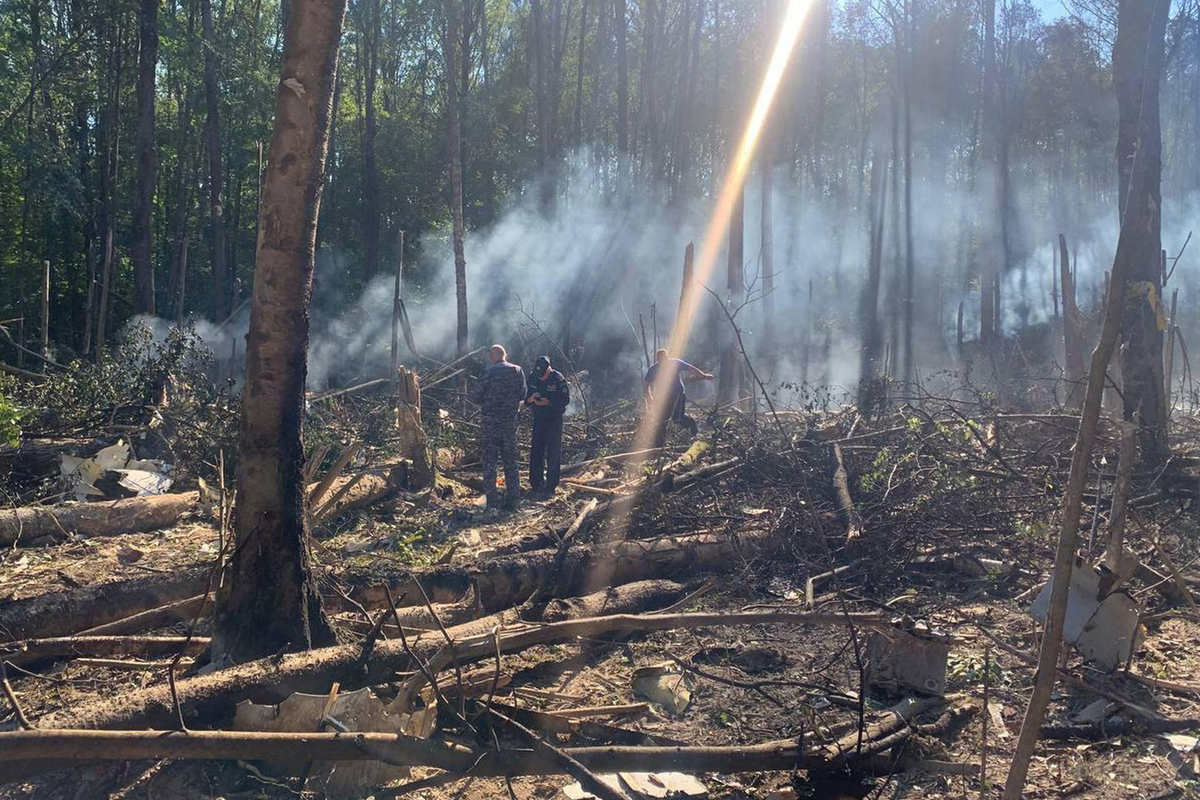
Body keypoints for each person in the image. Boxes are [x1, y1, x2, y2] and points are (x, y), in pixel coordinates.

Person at [472, 344, 526, 510]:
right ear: (505, 355)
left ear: (492, 356)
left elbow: (476, 397)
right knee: (510, 460)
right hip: (509, 422)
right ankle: (514, 499)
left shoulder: (487, 372)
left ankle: (492, 501)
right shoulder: (517, 371)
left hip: (490, 423)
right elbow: (523, 394)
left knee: (490, 462)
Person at [643, 349, 713, 446]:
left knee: (678, 418)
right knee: (662, 420)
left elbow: (691, 368)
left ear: (667, 357)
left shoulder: (675, 363)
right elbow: (646, 383)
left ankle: (694, 429)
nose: (662, 361)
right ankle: (658, 445)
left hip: (678, 394)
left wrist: (704, 376)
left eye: (663, 359)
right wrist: (649, 396)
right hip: (664, 397)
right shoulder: (654, 369)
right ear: (657, 359)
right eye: (659, 359)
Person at [525, 355, 569, 497]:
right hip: (538, 419)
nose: (541, 377)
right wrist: (531, 399)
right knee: (536, 451)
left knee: (553, 453)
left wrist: (549, 402)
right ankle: (536, 483)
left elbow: (565, 400)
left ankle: (551, 486)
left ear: (549, 369)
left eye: (543, 374)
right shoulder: (533, 377)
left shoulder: (558, 378)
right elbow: (525, 398)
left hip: (553, 420)